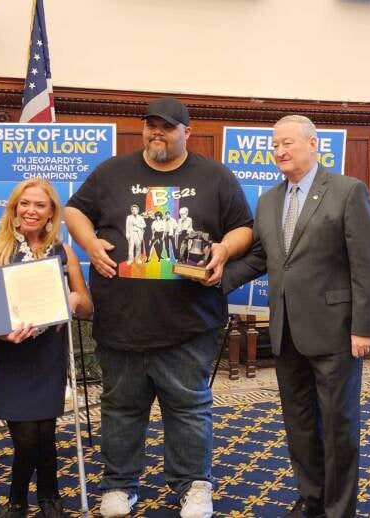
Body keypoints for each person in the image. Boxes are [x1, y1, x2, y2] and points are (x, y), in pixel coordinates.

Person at [64, 97, 253, 518]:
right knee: (120, 409)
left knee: (189, 409)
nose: (156, 133)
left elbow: (245, 227)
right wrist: (90, 243)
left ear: (187, 131)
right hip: (120, 319)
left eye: (166, 127)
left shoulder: (215, 175)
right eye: (150, 125)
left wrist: (224, 248)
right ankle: (119, 485)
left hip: (189, 321)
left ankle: (193, 485)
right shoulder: (112, 171)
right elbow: (74, 209)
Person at [221, 115, 370, 518]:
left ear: (314, 144)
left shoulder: (348, 192)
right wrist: (217, 278)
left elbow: (368, 264)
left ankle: (339, 509)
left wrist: (364, 327)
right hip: (285, 331)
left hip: (336, 332)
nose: (279, 151)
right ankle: (311, 498)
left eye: (288, 143)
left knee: (337, 426)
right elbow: (263, 256)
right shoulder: (269, 199)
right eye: (274, 145)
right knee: (300, 424)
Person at [0, 178, 93, 518]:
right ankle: (17, 498)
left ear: (51, 212)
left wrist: (73, 298)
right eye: (24, 203)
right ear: (13, 208)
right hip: (9, 357)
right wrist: (0, 331)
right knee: (27, 436)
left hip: (48, 355)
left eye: (40, 205)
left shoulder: (62, 251)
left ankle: (48, 496)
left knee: (45, 431)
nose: (31, 210)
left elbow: (87, 307)